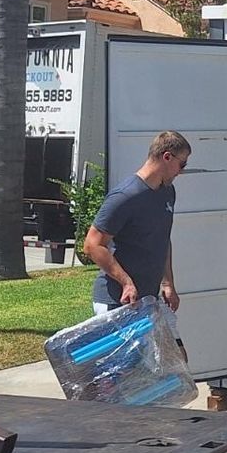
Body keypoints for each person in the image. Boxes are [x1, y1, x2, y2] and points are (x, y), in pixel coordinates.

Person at [81, 130, 190, 317]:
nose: (182, 171)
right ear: (167, 157)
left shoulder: (167, 192)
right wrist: (126, 283)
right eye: (182, 164)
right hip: (118, 301)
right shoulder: (126, 195)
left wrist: (167, 283)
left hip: (148, 299)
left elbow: (162, 239)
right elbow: (92, 245)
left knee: (172, 347)